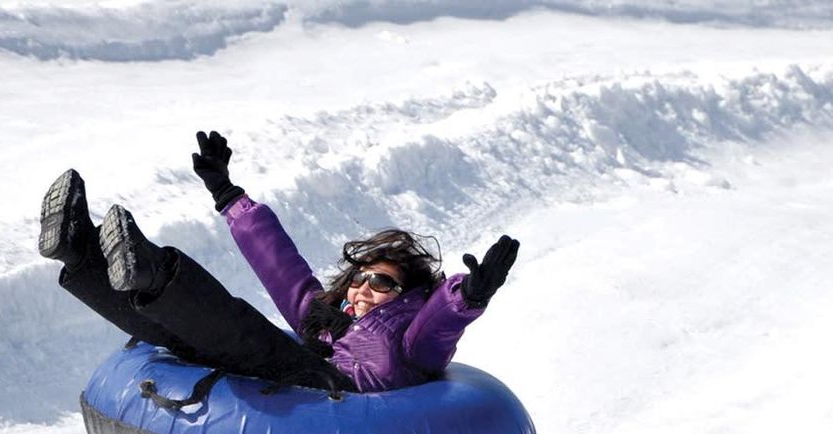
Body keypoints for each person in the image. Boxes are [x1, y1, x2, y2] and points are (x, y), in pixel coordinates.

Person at [38, 130, 518, 394]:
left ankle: (153, 271)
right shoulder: (326, 319)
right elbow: (281, 266)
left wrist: (468, 295)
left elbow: (440, 325)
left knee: (245, 333)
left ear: (406, 295)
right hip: (297, 373)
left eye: (380, 281)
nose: (363, 288)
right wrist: (228, 196)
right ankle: (80, 254)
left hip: (333, 392)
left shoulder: (410, 338)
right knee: (181, 337)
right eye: (359, 277)